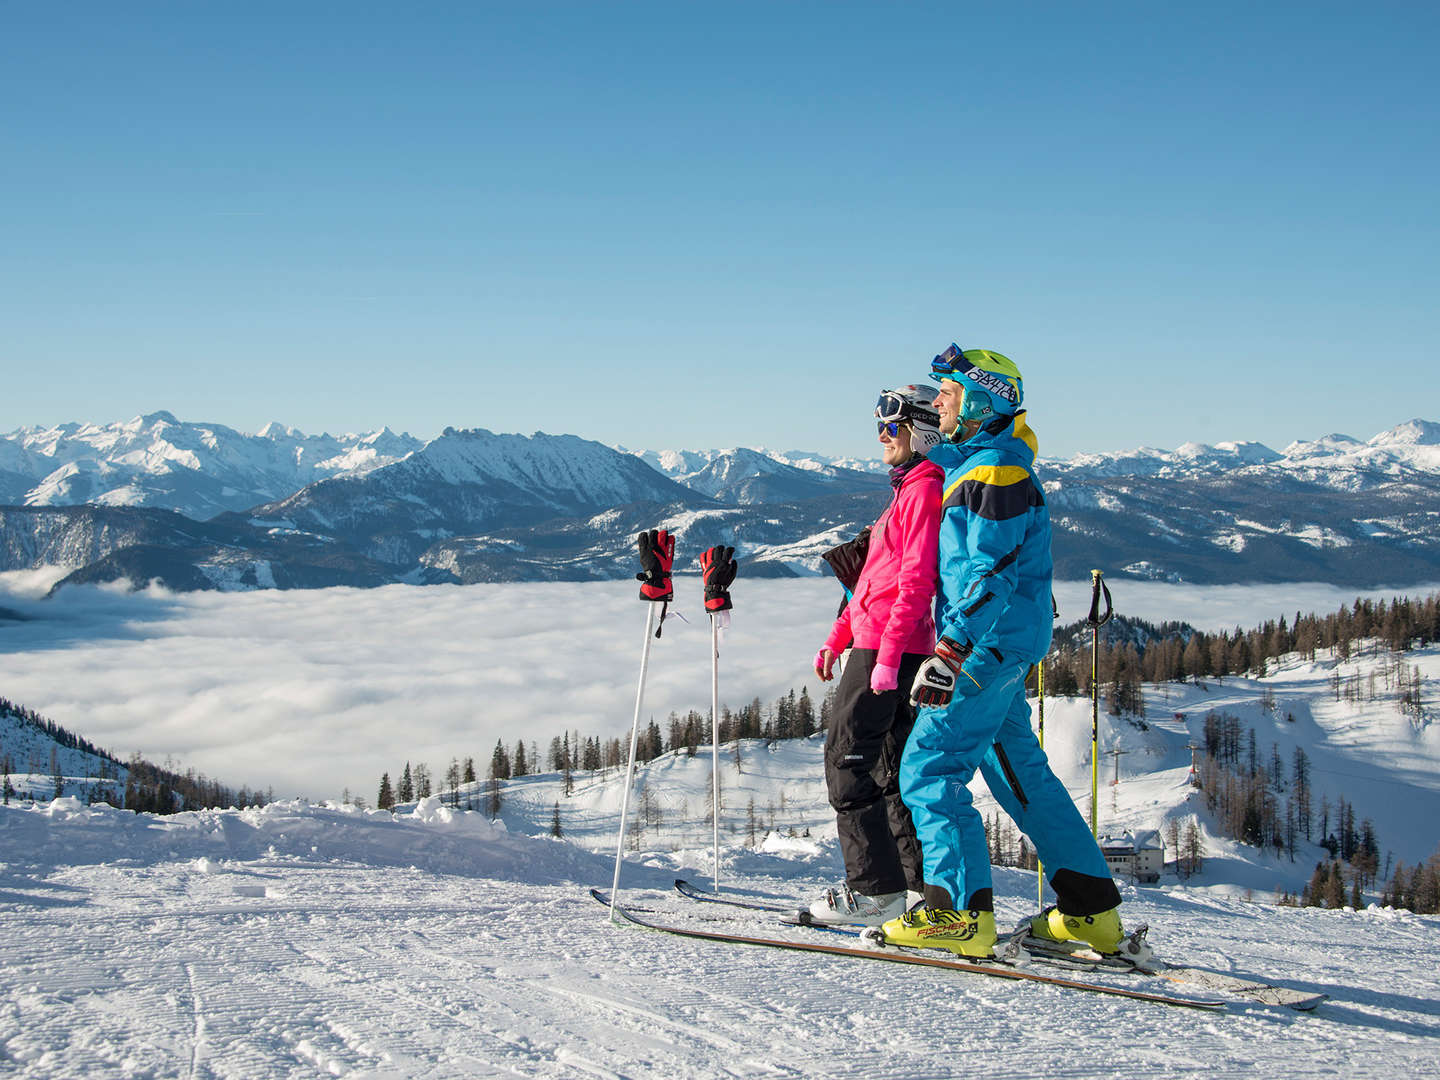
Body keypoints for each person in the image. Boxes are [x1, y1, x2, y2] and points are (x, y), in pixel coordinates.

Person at [879, 344, 1124, 957]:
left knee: (929, 767)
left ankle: (958, 914)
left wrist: (951, 649)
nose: (937, 403)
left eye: (950, 393)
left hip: (983, 645)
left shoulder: (993, 472)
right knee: (1019, 775)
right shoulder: (984, 464)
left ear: (983, 398)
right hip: (1004, 642)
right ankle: (1090, 908)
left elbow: (988, 575)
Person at [807, 385, 944, 926]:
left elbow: (915, 580)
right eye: (879, 427)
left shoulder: (923, 491)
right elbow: (872, 581)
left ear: (920, 431)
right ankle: (915, 890)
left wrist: (884, 656)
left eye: (892, 426)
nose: (881, 436)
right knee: (891, 770)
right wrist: (837, 637)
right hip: (881, 644)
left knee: (847, 761)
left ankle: (873, 891)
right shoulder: (906, 489)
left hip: (890, 649)